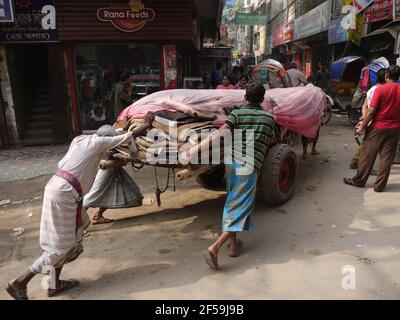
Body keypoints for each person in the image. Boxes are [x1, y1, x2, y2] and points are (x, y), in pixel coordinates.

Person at [5, 117, 153, 300]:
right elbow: (129, 135)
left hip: (59, 189)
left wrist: (119, 135)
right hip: (65, 194)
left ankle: (53, 284)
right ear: (104, 141)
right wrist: (146, 125)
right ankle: (20, 281)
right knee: (60, 247)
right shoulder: (100, 143)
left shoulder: (81, 139)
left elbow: (117, 135)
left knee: (77, 228)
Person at [179, 84, 275, 270]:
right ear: (262, 100)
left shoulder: (236, 115)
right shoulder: (269, 119)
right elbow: (269, 140)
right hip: (249, 166)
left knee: (233, 202)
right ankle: (215, 248)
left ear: (245, 97)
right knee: (241, 207)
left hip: (232, 164)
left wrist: (192, 151)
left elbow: (220, 134)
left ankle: (233, 246)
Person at [84, 113, 155, 225]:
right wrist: (146, 124)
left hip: (113, 169)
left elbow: (121, 134)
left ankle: (98, 216)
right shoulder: (100, 146)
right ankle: (76, 226)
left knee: (118, 190)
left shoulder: (106, 137)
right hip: (103, 169)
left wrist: (125, 127)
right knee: (91, 196)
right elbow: (131, 136)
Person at [344, 65, 400, 192]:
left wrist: (362, 126)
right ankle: (380, 186)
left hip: (378, 127)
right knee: (386, 158)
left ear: (386, 76)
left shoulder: (380, 90)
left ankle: (359, 180)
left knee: (367, 155)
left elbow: (371, 111)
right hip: (395, 128)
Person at [350, 68, 387, 170]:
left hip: (371, 119)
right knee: (370, 146)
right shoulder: (380, 90)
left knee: (368, 144)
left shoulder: (372, 89)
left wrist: (365, 120)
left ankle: (356, 160)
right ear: (386, 78)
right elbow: (372, 108)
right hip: (375, 121)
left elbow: (365, 106)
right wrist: (366, 121)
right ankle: (364, 167)